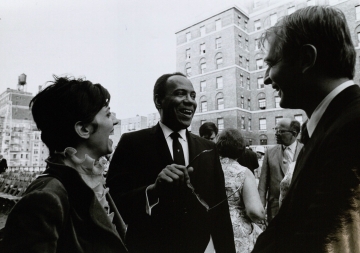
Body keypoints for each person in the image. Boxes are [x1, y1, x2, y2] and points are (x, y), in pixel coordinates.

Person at [253, 6, 360, 253]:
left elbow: (325, 240)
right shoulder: (331, 125)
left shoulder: (351, 128)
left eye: (271, 64)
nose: (267, 79)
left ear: (306, 59)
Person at [106, 72, 236, 253]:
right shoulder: (132, 143)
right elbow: (113, 202)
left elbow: (220, 211)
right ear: (159, 101)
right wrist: (152, 191)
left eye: (193, 96)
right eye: (180, 93)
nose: (190, 101)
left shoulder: (208, 148)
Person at [1, 76, 128, 253]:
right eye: (107, 114)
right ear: (83, 129)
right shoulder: (45, 198)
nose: (115, 121)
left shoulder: (91, 181)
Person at [216, 128, 264, 253]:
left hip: (211, 228)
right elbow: (255, 211)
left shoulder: (206, 169)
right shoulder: (243, 172)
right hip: (236, 232)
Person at [257, 118, 303, 223]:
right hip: (275, 210)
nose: (276, 134)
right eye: (276, 130)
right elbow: (262, 184)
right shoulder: (270, 152)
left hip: (300, 209)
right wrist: (260, 208)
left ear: (294, 133)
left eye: (281, 131)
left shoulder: (305, 150)